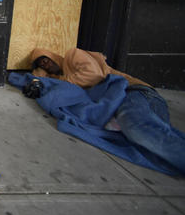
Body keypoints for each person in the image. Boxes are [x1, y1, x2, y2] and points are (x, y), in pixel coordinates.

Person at [27, 47, 185, 175]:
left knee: (136, 128)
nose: (46, 64)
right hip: (119, 103)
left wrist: (59, 80)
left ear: (52, 55)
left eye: (45, 59)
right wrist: (42, 75)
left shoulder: (72, 55)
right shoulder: (60, 76)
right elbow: (37, 80)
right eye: (42, 65)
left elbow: (93, 75)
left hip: (132, 92)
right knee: (152, 141)